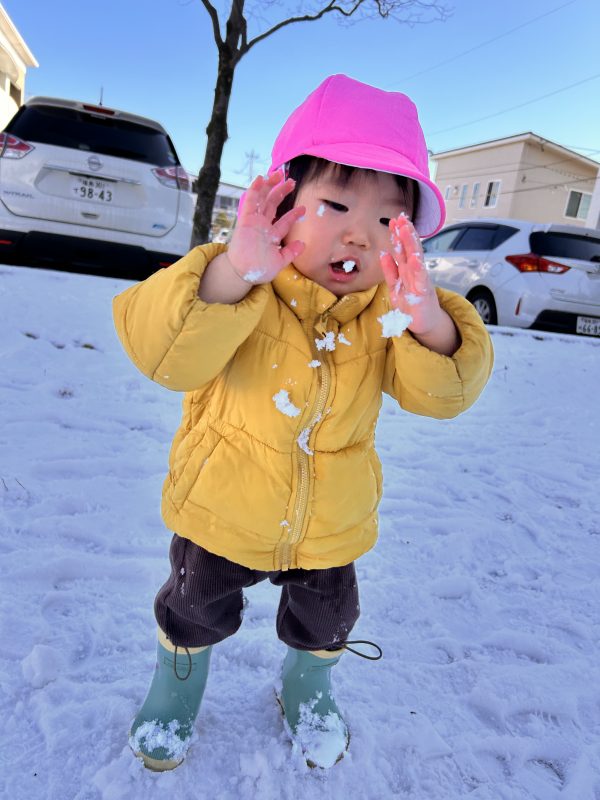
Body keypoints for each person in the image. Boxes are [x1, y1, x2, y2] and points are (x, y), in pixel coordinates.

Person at [113, 74, 494, 772]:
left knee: (329, 619)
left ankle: (307, 685)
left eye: (387, 220)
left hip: (329, 522)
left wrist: (428, 323)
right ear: (284, 201)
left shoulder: (387, 317)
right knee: (193, 608)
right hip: (222, 508)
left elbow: (442, 396)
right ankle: (177, 687)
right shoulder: (239, 284)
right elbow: (163, 353)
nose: (358, 233)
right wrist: (233, 273)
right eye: (336, 204)